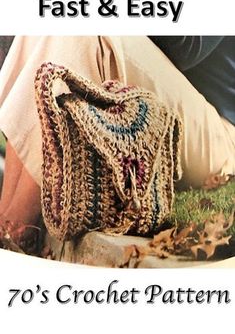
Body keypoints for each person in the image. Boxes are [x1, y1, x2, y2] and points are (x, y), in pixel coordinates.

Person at [0, 36, 234, 236]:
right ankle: (6, 219)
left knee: (82, 30)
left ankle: (20, 228)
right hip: (175, 107)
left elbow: (187, 49)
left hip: (218, 142)